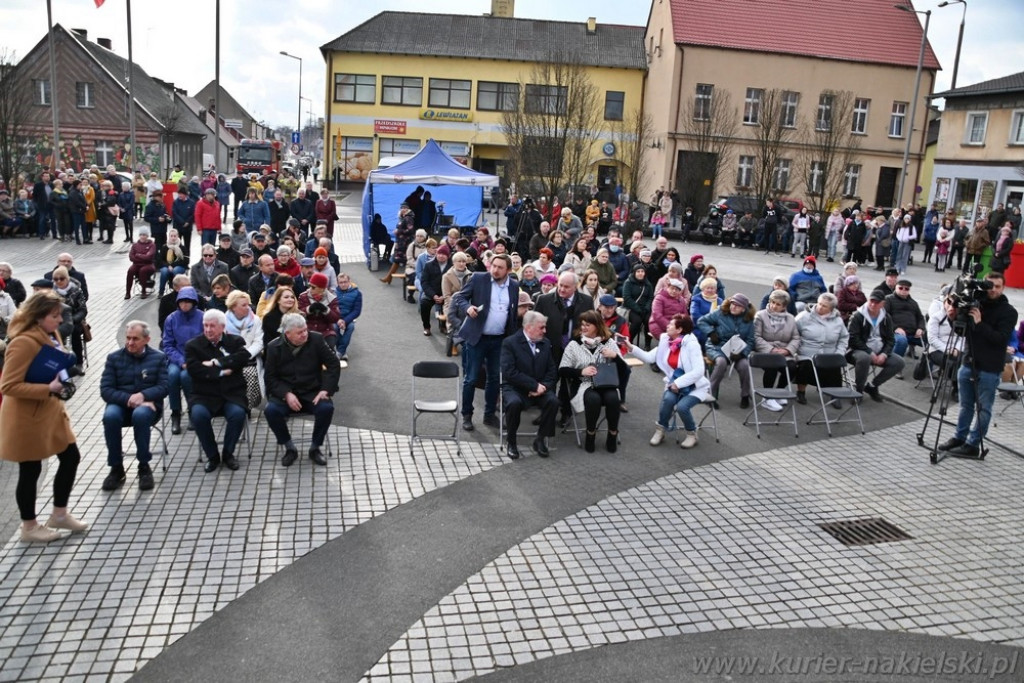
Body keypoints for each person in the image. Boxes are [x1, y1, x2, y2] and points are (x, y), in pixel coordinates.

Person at [0, 291, 87, 542]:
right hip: (27, 416)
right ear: (38, 317)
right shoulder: (23, 342)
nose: (60, 320)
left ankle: (59, 514)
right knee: (30, 469)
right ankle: (29, 527)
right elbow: (8, 386)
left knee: (71, 457)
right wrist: (47, 389)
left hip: (51, 411)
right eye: (54, 315)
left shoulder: (49, 334)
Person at [939, 271, 1018, 457]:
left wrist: (980, 323)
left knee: (983, 408)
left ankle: (973, 444)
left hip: (989, 368)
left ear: (1003, 288)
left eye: (997, 287)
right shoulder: (976, 303)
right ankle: (960, 437)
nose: (992, 290)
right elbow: (962, 332)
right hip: (968, 361)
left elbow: (999, 339)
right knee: (965, 405)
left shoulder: (1009, 312)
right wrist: (953, 318)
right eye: (989, 285)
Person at [451, 254, 520, 431]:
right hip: (477, 337)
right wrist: (468, 308)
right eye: (493, 266)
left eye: (500, 267)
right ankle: (467, 414)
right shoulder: (478, 278)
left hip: (499, 339)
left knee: (495, 378)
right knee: (471, 378)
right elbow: (459, 298)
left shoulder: (513, 285)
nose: (495, 270)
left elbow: (512, 313)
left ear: (508, 271)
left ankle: (489, 415)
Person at [264, 313, 340, 467]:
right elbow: (270, 378)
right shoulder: (273, 347)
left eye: (305, 330)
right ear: (288, 334)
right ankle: (289, 447)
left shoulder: (316, 339)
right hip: (286, 393)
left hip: (312, 391)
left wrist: (325, 390)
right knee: (271, 411)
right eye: (300, 332)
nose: (305, 334)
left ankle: (315, 447)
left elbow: (333, 364)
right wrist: (286, 394)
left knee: (326, 408)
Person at [99, 321, 168, 492]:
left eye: (135, 339)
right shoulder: (114, 358)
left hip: (148, 406)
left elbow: (164, 386)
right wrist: (131, 398)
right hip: (121, 404)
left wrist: (144, 396)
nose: (130, 343)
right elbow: (106, 390)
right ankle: (116, 468)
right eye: (128, 338)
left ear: (146, 339)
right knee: (110, 417)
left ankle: (144, 466)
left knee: (141, 415)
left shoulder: (158, 358)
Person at [632, 314, 711, 449]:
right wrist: (630, 347)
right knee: (668, 400)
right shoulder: (667, 342)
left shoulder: (692, 345)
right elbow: (649, 358)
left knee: (682, 407)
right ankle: (660, 430)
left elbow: (698, 371)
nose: (667, 326)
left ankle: (692, 434)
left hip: (695, 387)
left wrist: (678, 383)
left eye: (671, 324)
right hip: (674, 385)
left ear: (679, 330)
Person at [185, 309, 251, 472]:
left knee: (237, 415)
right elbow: (195, 370)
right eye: (205, 325)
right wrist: (222, 372)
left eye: (212, 326)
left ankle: (228, 454)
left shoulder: (235, 341)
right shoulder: (193, 345)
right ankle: (212, 456)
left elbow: (243, 358)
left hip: (231, 393)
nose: (208, 330)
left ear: (222, 327)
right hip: (204, 394)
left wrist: (217, 363)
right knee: (198, 416)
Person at [558, 310, 622, 453]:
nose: (583, 328)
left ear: (597, 326)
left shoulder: (609, 342)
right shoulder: (574, 344)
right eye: (582, 325)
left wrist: (615, 356)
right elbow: (562, 370)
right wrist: (580, 371)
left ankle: (612, 434)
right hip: (583, 384)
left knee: (613, 398)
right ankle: (590, 434)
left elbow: (624, 370)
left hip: (605, 382)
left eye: (588, 325)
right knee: (593, 400)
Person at [499, 310, 560, 460]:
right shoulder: (510, 343)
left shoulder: (545, 343)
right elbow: (509, 372)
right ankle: (511, 441)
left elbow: (552, 371)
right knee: (513, 403)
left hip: (540, 388)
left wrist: (543, 387)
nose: (545, 331)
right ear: (528, 327)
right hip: (515, 387)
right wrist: (533, 386)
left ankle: (540, 439)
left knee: (553, 401)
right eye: (541, 327)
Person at [846, 290, 906, 402]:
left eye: (876, 302)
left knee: (899, 362)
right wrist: (869, 352)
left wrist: (884, 353)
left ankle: (872, 386)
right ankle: (858, 391)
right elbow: (853, 338)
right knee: (864, 358)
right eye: (871, 301)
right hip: (856, 350)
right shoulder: (857, 316)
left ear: (882, 304)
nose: (873, 304)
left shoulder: (886, 317)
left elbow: (890, 339)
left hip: (879, 350)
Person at [698, 293, 755, 408]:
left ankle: (745, 395)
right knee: (721, 362)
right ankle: (709, 394)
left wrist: (742, 353)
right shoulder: (720, 313)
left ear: (744, 309)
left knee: (744, 365)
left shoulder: (748, 321)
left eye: (737, 306)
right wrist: (711, 332)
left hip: (736, 350)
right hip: (716, 346)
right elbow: (701, 321)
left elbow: (750, 341)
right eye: (732, 304)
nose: (733, 307)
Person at [793, 292, 849, 404]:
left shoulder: (838, 321)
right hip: (807, 352)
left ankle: (835, 394)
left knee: (834, 365)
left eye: (824, 306)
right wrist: (796, 350)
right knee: (806, 365)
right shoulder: (804, 317)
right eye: (819, 304)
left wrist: (839, 353)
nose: (820, 307)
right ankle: (801, 392)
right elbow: (794, 335)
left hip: (829, 352)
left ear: (831, 309)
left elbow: (844, 338)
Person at [161, 286, 203, 434]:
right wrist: (180, 361)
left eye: (188, 302)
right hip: (176, 357)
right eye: (182, 302)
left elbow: (204, 343)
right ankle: (175, 413)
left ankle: (192, 410)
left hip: (195, 359)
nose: (184, 305)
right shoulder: (171, 319)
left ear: (193, 302)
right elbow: (167, 344)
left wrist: (190, 361)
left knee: (186, 377)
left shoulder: (202, 317)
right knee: (172, 376)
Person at [753, 290, 800, 411]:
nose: (774, 306)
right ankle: (767, 398)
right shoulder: (760, 316)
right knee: (772, 365)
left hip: (784, 352)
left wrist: (787, 350)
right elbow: (756, 337)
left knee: (792, 367)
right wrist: (771, 349)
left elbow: (796, 338)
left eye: (778, 304)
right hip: (765, 351)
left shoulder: (790, 318)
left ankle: (778, 391)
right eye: (772, 302)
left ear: (784, 306)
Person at [885, 279, 925, 360]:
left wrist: (920, 328)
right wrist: (895, 328)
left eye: (906, 289)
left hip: (913, 333)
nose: (903, 290)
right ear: (895, 288)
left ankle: (924, 368)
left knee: (932, 342)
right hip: (894, 332)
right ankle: (895, 365)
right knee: (902, 341)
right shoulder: (888, 299)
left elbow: (920, 318)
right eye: (901, 288)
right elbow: (884, 316)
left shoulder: (913, 303)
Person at [622, 263, 654, 348]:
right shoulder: (628, 283)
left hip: (645, 308)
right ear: (634, 273)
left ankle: (648, 344)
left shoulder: (648, 284)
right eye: (638, 271)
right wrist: (637, 309)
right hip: (632, 308)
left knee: (649, 321)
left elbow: (651, 297)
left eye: (642, 271)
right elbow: (627, 298)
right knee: (637, 321)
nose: (640, 273)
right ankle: (629, 341)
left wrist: (647, 307)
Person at [335, 272, 362, 361]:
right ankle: (342, 352)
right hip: (335, 318)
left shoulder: (357, 293)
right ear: (337, 283)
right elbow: (331, 308)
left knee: (350, 327)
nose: (343, 284)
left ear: (349, 281)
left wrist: (345, 321)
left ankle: (340, 352)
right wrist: (338, 320)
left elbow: (357, 311)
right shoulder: (333, 292)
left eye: (345, 282)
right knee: (334, 327)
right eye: (341, 282)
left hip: (348, 318)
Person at [125, 228, 156, 299]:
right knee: (130, 271)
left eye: (144, 235)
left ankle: (143, 291)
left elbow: (149, 257)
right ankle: (127, 292)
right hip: (136, 264)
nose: (142, 236)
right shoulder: (135, 245)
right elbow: (131, 257)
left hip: (148, 265)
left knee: (143, 270)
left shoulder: (152, 245)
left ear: (147, 236)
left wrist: (138, 255)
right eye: (141, 235)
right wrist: (143, 256)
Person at [171, 187, 196, 258]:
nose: (180, 195)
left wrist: (188, 222)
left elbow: (193, 214)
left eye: (181, 194)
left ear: (185, 195)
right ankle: (176, 259)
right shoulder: (175, 202)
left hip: (188, 228)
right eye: (179, 194)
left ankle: (186, 260)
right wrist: (182, 222)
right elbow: (174, 213)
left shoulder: (191, 202)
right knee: (176, 244)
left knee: (187, 245)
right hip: (178, 227)